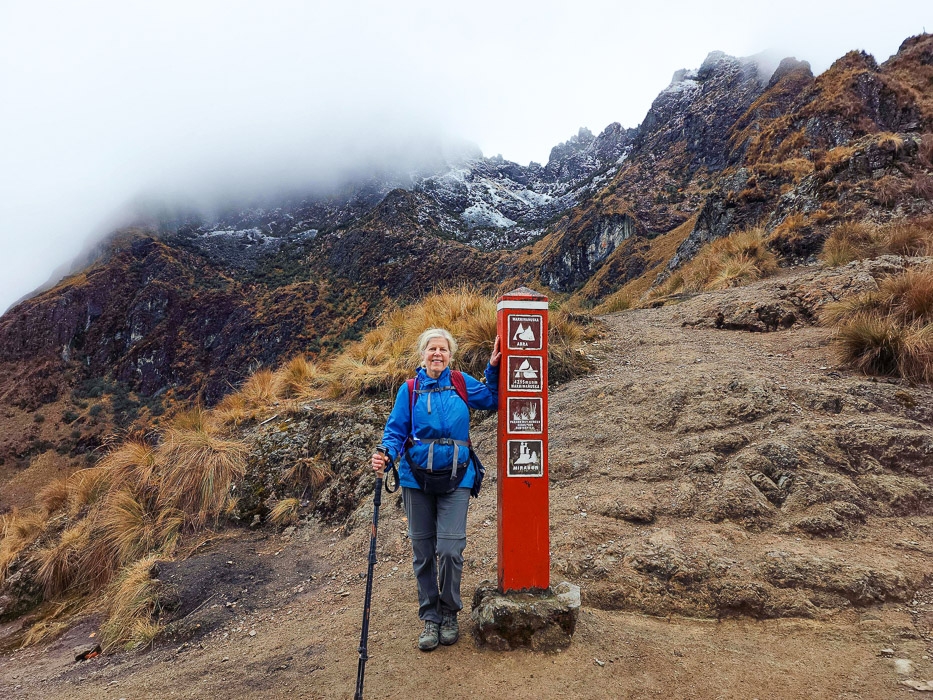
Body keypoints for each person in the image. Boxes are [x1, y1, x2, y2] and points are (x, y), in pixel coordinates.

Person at [371, 328, 500, 651]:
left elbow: (492, 399)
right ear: (423, 354)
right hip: (417, 479)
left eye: (442, 349)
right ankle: (431, 617)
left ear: (450, 355)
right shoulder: (410, 390)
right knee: (423, 551)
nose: (437, 354)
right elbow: (396, 431)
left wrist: (494, 368)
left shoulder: (460, 382)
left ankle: (449, 611)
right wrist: (386, 456)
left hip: (458, 477)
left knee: (450, 549)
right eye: (432, 349)